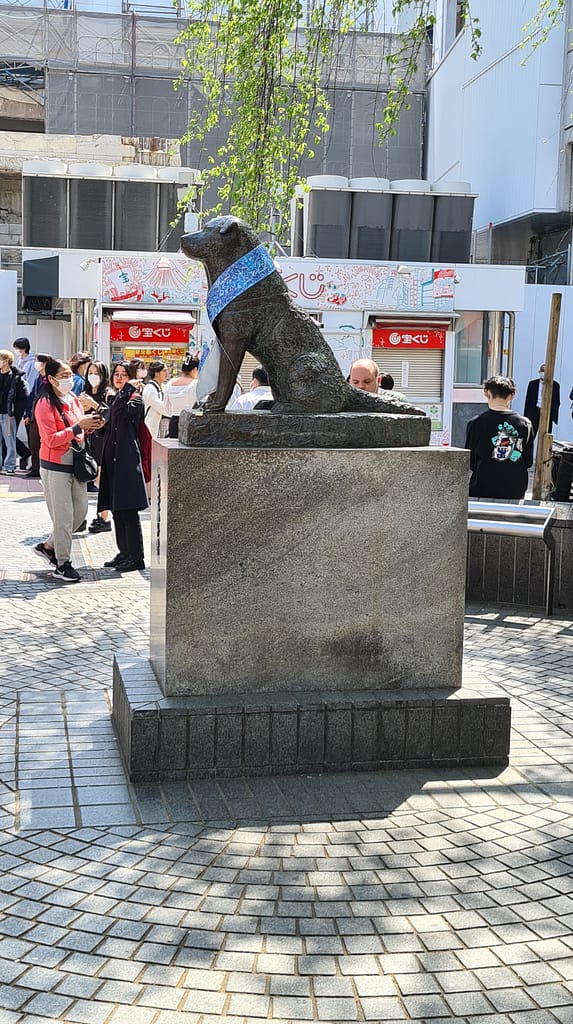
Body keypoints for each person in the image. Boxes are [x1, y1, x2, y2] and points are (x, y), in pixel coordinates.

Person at [33, 357, 104, 582]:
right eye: (63, 376)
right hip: (55, 466)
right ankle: (63, 563)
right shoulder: (44, 403)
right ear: (51, 379)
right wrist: (77, 428)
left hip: (76, 463)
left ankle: (48, 546)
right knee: (63, 517)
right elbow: (51, 439)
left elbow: (79, 426)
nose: (69, 379)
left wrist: (90, 425)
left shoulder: (72, 398)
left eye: (69, 375)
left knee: (80, 512)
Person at [97, 362, 148, 572]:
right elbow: (109, 424)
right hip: (113, 459)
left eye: (124, 375)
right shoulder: (116, 398)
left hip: (127, 460)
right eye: (116, 375)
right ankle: (124, 552)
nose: (119, 378)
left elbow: (118, 414)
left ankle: (136, 557)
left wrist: (128, 390)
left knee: (128, 511)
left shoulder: (135, 401)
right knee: (117, 509)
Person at [465, 375, 534, 500]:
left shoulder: (475, 423)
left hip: (482, 487)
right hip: (514, 490)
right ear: (512, 395)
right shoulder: (525, 424)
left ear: (486, 392)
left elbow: (471, 461)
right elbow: (528, 461)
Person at [82, 360, 114, 532]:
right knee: (82, 476)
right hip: (85, 439)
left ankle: (103, 518)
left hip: (102, 439)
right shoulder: (84, 392)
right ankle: (80, 517)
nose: (93, 375)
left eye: (97, 372)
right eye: (90, 372)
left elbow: (110, 414)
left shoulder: (108, 393)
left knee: (101, 478)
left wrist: (93, 405)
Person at [0, 349, 28, 475]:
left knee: (10, 441)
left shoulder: (16, 377)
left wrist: (16, 413)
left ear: (6, 361)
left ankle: (10, 465)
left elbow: (23, 397)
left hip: (8, 414)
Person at [23, 353, 50, 478]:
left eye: (38, 361)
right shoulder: (38, 378)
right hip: (34, 415)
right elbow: (31, 397)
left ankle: (43, 468)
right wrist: (27, 414)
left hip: (46, 416)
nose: (36, 364)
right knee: (33, 443)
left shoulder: (51, 379)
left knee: (44, 443)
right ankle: (35, 468)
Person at [164, 354, 199, 437]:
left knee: (173, 448)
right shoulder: (196, 384)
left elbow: (166, 407)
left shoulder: (169, 383)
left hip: (174, 421)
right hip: (191, 421)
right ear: (195, 369)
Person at [524, 364, 560, 437]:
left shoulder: (555, 385)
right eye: (542, 370)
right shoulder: (532, 384)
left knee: (546, 435)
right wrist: (526, 416)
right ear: (539, 371)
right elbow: (528, 401)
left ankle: (545, 448)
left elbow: (557, 401)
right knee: (531, 434)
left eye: (546, 371)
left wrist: (552, 414)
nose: (544, 373)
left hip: (547, 413)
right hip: (535, 411)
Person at [142, 359, 169, 438]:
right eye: (164, 371)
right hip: (149, 427)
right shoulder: (150, 388)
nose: (167, 373)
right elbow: (161, 407)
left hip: (160, 428)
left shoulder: (163, 386)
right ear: (157, 373)